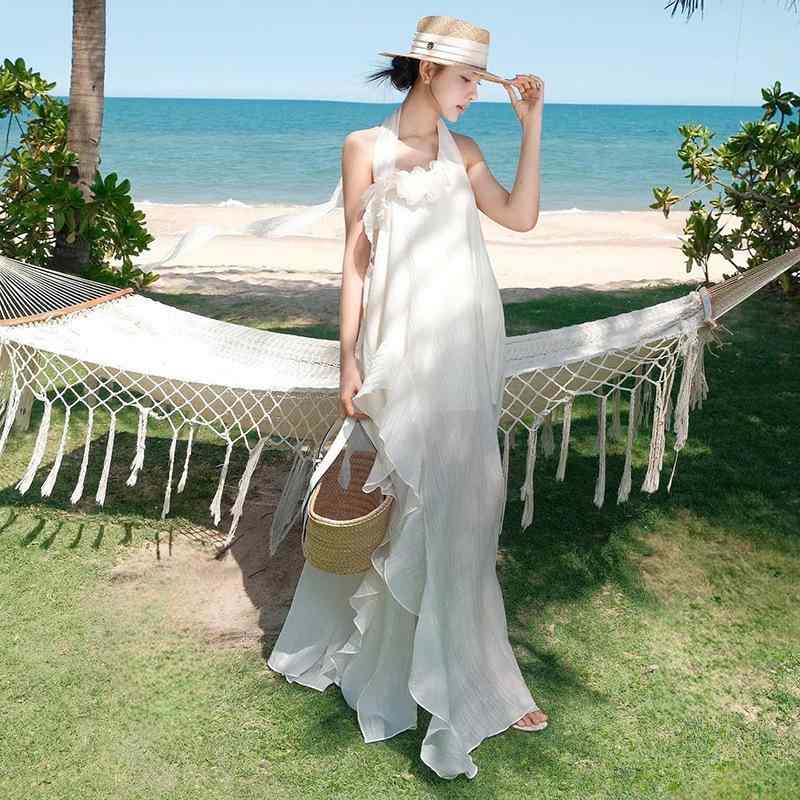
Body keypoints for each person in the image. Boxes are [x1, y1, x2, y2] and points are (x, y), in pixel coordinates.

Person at [267, 15, 546, 780]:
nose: (473, 94)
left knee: (467, 508)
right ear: (428, 70)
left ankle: (482, 675)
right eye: (467, 79)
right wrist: (347, 359)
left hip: (465, 354)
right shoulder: (365, 147)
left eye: (478, 82)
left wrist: (532, 126)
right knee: (398, 509)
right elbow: (355, 262)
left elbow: (521, 217)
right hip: (397, 355)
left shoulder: (468, 152)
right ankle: (387, 668)